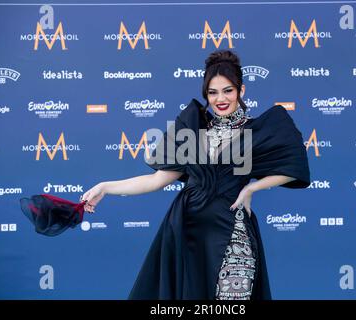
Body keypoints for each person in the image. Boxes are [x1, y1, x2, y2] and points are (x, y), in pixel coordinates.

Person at [81, 50, 310, 300]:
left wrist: (251, 188)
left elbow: (294, 164)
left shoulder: (255, 131)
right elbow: (157, 179)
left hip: (233, 228)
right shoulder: (192, 128)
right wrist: (105, 187)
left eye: (228, 90)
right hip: (188, 230)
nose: (220, 99)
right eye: (213, 92)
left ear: (241, 90)